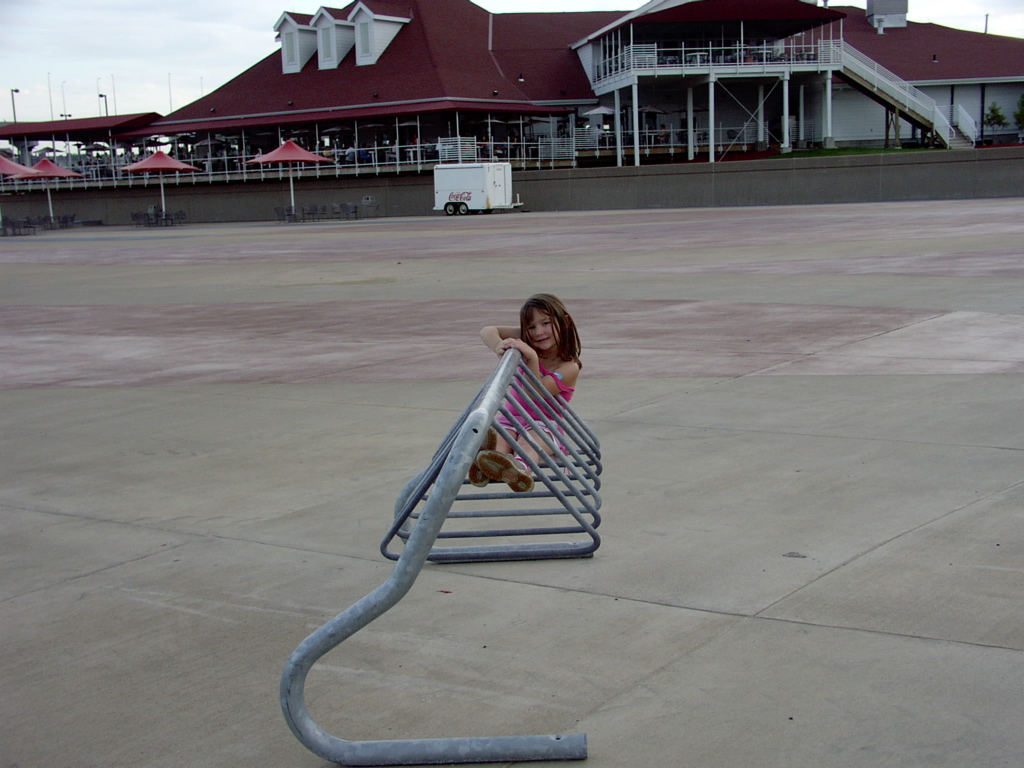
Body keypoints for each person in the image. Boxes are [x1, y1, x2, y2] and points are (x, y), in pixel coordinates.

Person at [472, 294, 582, 492]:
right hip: (511, 419)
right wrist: (498, 345)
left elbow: (534, 394)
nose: (539, 332)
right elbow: (487, 331)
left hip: (545, 425)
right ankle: (487, 465)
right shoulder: (528, 338)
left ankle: (520, 470)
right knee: (500, 441)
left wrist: (531, 357)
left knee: (529, 441)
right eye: (531, 327)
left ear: (565, 322)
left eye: (546, 323)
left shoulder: (569, 367)